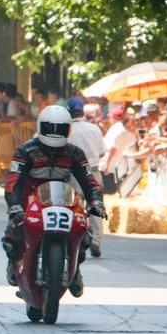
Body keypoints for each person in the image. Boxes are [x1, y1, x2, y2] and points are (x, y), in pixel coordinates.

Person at [2, 105, 105, 296]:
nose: (55, 134)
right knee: (13, 231)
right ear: (41, 127)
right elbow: (13, 182)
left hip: (62, 201)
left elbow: (89, 181)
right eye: (51, 128)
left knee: (84, 233)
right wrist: (15, 205)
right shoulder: (26, 151)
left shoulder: (75, 153)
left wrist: (96, 202)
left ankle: (76, 270)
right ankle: (13, 261)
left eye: (60, 129)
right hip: (30, 202)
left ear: (68, 129)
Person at [66, 98, 108, 257]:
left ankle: (75, 239)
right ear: (82, 111)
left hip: (74, 173)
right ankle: (96, 240)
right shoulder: (94, 128)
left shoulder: (68, 130)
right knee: (95, 205)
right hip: (93, 172)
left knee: (73, 207)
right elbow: (102, 152)